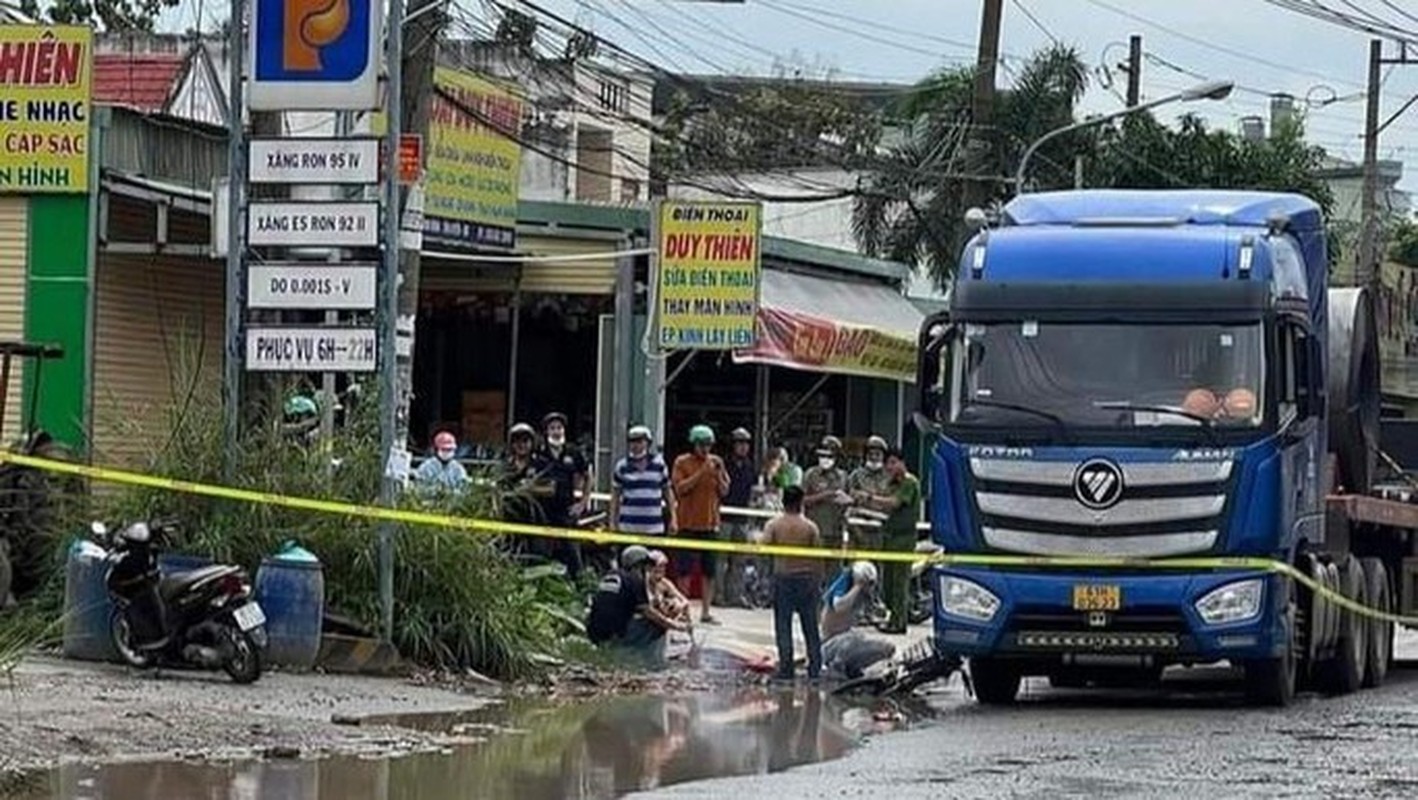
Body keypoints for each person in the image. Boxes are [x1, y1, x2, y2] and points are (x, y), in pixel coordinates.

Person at [586, 545, 688, 668]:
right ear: (639, 565)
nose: (648, 569)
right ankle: (653, 662)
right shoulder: (635, 580)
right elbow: (649, 613)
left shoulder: (610, 575)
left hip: (594, 633)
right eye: (646, 566)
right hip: (617, 636)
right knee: (656, 624)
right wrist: (674, 625)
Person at [759, 485, 823, 681]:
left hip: (783, 579)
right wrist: (817, 582)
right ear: (801, 503)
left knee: (783, 625)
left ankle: (786, 669)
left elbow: (763, 547)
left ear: (783, 501)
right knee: (810, 626)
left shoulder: (774, 525)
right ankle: (815, 668)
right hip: (807, 581)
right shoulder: (810, 527)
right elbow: (818, 557)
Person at [857, 447, 922, 634]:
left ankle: (899, 623)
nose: (890, 467)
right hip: (888, 537)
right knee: (887, 584)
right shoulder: (892, 484)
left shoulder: (910, 483)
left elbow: (894, 503)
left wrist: (869, 497)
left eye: (894, 462)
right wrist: (861, 503)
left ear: (902, 462)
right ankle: (893, 616)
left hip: (904, 539)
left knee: (899, 583)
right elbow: (883, 507)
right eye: (888, 463)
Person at [671, 425, 730, 625]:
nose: (705, 449)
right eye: (701, 445)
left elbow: (724, 491)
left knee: (709, 571)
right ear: (693, 444)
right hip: (687, 524)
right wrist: (701, 473)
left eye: (708, 445)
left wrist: (719, 476)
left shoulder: (716, 462)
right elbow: (680, 489)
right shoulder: (682, 462)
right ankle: (683, 609)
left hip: (710, 524)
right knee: (684, 571)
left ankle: (706, 611)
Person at [820, 561, 896, 679]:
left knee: (888, 647)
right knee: (852, 639)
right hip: (830, 643)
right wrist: (857, 586)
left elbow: (878, 613)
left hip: (845, 637)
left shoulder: (865, 594)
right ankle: (835, 667)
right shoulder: (845, 585)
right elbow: (839, 606)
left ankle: (852, 668)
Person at [537, 411, 589, 579]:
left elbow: (588, 475)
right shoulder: (539, 452)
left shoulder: (573, 452)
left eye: (559, 427)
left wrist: (583, 502)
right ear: (546, 431)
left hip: (567, 510)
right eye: (552, 428)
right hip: (542, 511)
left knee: (573, 551)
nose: (556, 431)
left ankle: (580, 584)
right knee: (541, 552)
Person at [610, 425, 677, 537]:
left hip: (654, 528)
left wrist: (674, 518)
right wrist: (612, 522)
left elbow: (668, 493)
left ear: (647, 443)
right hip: (628, 527)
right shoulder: (621, 466)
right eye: (632, 441)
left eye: (639, 441)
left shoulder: (659, 464)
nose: (635, 445)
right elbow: (615, 497)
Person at [721, 428, 759, 607]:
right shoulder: (723, 465)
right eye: (739, 443)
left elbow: (753, 491)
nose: (743, 447)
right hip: (724, 517)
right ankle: (719, 596)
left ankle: (735, 596)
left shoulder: (750, 467)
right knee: (720, 560)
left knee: (740, 561)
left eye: (746, 444)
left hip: (742, 518)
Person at [801, 435, 850, 562]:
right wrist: (824, 495)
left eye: (829, 457)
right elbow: (802, 500)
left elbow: (850, 501)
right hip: (816, 529)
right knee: (814, 568)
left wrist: (846, 501)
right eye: (822, 456)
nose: (825, 460)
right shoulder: (811, 474)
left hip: (836, 531)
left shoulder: (843, 477)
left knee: (834, 570)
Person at [647, 549, 691, 626]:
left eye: (663, 566)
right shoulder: (643, 582)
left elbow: (684, 600)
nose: (661, 569)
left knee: (676, 603)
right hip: (648, 618)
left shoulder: (665, 583)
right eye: (658, 566)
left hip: (662, 617)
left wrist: (678, 607)